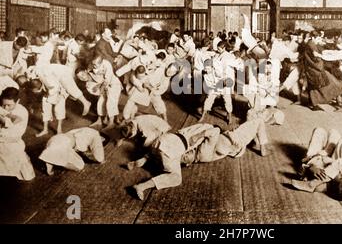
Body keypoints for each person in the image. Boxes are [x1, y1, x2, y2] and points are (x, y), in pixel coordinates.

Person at [125, 116, 270, 200]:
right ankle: (141, 185)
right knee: (176, 177)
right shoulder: (214, 133)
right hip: (177, 148)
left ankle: (142, 160)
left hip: (165, 140)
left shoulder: (198, 129)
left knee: (158, 153)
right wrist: (198, 137)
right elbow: (213, 131)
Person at [27, 64, 91, 116]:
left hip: (62, 72)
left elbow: (52, 87)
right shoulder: (34, 76)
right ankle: (85, 102)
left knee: (70, 88)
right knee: (66, 90)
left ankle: (86, 103)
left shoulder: (44, 78)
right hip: (57, 73)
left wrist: (49, 90)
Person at [0, 87, 35, 181]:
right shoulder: (3, 107)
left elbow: (9, 123)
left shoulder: (22, 112)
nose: (6, 108)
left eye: (9, 105)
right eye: (3, 105)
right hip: (3, 138)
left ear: (18, 101)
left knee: (19, 165)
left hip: (13, 140)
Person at [39, 127, 105, 175]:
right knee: (80, 166)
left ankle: (51, 160)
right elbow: (97, 150)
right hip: (64, 144)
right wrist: (101, 160)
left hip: (55, 139)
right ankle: (58, 161)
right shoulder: (95, 135)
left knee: (52, 149)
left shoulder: (83, 130)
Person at [88, 55, 122, 129]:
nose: (93, 66)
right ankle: (99, 120)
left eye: (95, 64)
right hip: (103, 85)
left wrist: (101, 90)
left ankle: (111, 122)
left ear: (101, 62)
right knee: (100, 102)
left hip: (113, 85)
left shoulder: (107, 65)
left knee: (110, 103)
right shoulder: (93, 65)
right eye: (92, 64)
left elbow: (107, 80)